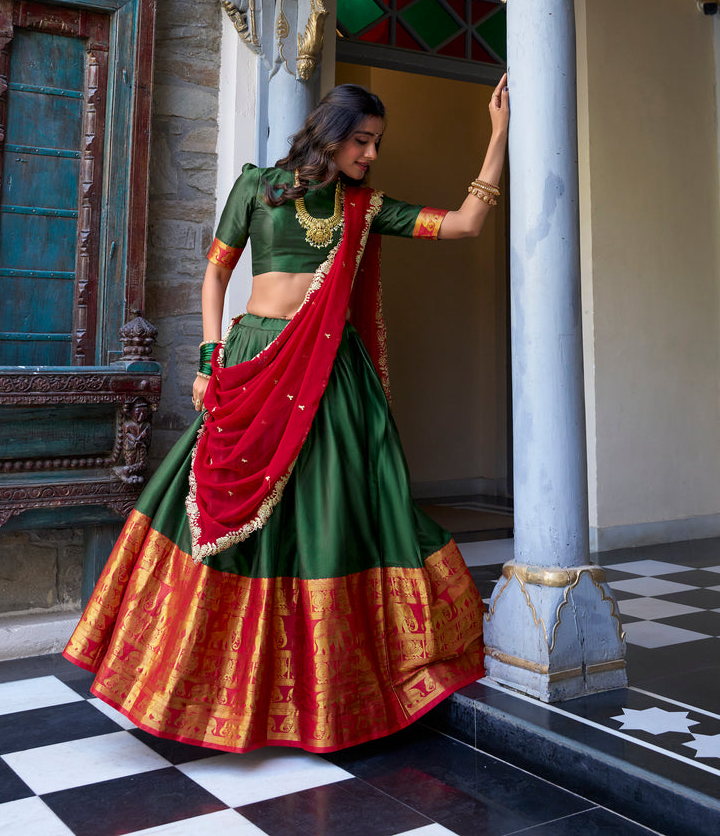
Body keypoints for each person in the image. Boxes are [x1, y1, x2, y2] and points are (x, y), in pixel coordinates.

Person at [65, 75, 509, 754]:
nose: (371, 154)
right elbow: (216, 274)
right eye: (362, 140)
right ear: (329, 134)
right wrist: (209, 357)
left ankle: (321, 689)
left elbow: (464, 224)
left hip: (332, 374)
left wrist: (497, 137)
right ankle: (202, 681)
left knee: (333, 516)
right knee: (222, 515)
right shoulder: (258, 188)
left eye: (377, 143)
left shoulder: (367, 205)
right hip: (253, 362)